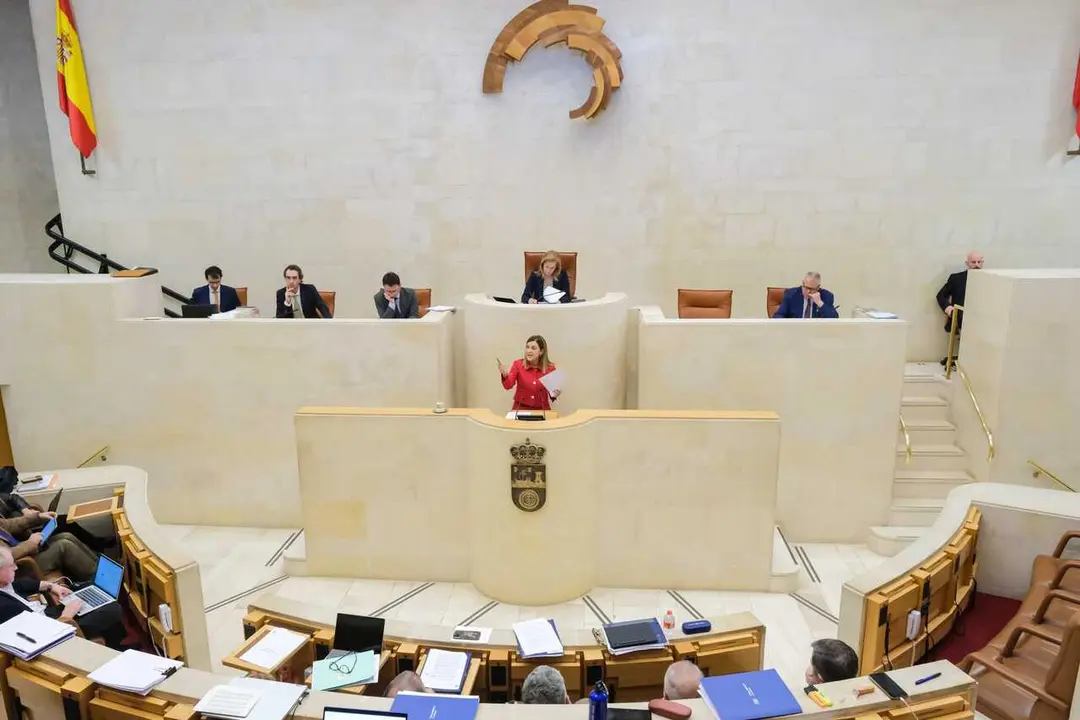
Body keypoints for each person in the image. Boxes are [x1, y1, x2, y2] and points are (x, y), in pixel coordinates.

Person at [0, 547, 128, 649]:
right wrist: (67, 616)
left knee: (87, 589)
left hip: (46, 616)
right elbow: (38, 636)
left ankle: (116, 645)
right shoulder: (5, 607)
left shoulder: (3, 584)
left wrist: (51, 587)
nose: (16, 567)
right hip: (55, 630)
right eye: (11, 565)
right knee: (112, 609)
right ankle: (114, 649)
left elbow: (20, 584)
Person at [0, 508, 99, 582]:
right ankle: (98, 579)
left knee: (66, 536)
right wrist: (29, 544)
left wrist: (38, 517)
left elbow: (10, 524)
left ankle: (101, 567)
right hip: (18, 566)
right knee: (63, 546)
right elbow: (4, 558)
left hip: (26, 553)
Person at [936, 251, 984, 366]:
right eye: (973, 262)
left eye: (979, 262)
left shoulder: (992, 280)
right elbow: (941, 295)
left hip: (983, 319)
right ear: (967, 263)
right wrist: (949, 309)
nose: (976, 265)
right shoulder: (956, 278)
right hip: (961, 317)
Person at [499, 335, 561, 411]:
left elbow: (553, 395)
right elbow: (508, 385)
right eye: (527, 347)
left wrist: (555, 393)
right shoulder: (518, 364)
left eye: (533, 348)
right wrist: (505, 376)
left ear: (541, 351)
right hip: (520, 409)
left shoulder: (550, 368)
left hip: (542, 410)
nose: (529, 351)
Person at [773, 272, 839, 319]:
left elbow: (834, 318)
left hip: (816, 334)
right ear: (802, 283)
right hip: (794, 333)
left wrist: (820, 303)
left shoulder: (826, 296)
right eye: (806, 287)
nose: (808, 291)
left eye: (811, 289)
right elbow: (778, 316)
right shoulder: (790, 294)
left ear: (818, 287)